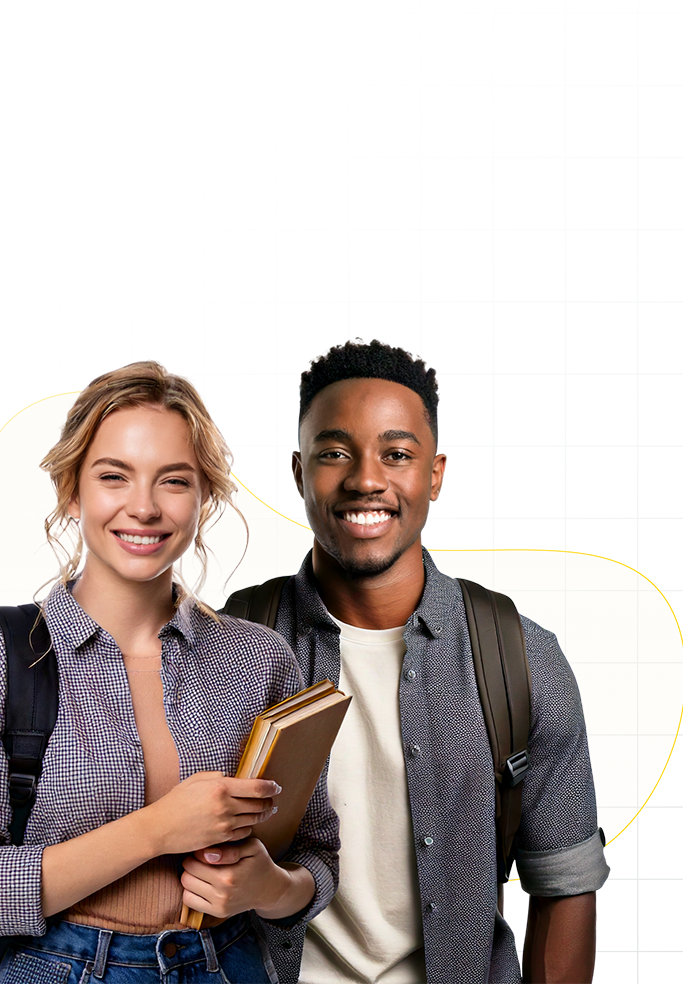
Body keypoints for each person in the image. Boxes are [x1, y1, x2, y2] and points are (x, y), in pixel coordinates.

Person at [201, 338, 609, 984]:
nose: (366, 479)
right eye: (333, 453)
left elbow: (562, 884)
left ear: (438, 477)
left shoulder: (520, 658)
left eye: (396, 454)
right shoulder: (232, 643)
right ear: (294, 478)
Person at [0, 360, 339, 984]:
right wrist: (157, 831)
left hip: (230, 964)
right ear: (73, 491)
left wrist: (269, 889)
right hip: (59, 967)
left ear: (204, 497)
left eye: (173, 481)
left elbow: (318, 855)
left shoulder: (258, 658)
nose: (143, 507)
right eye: (114, 476)